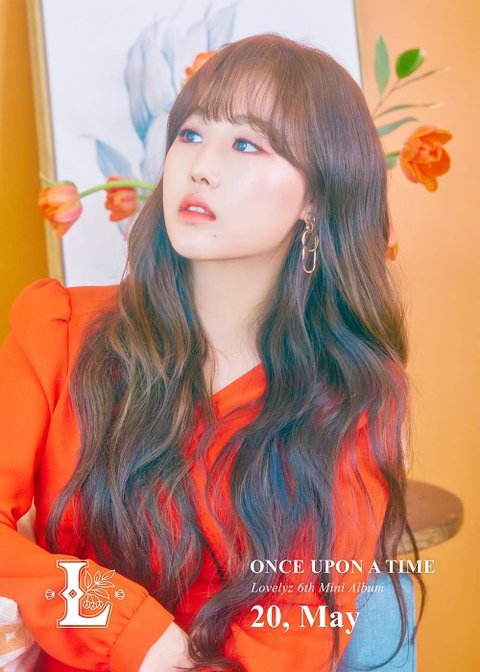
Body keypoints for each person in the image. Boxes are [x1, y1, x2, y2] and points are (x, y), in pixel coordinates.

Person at [0, 33, 425, 672]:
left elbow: (290, 643)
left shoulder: (350, 398)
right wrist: (123, 624)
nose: (200, 166)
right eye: (191, 134)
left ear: (316, 198)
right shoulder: (58, 328)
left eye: (247, 144)